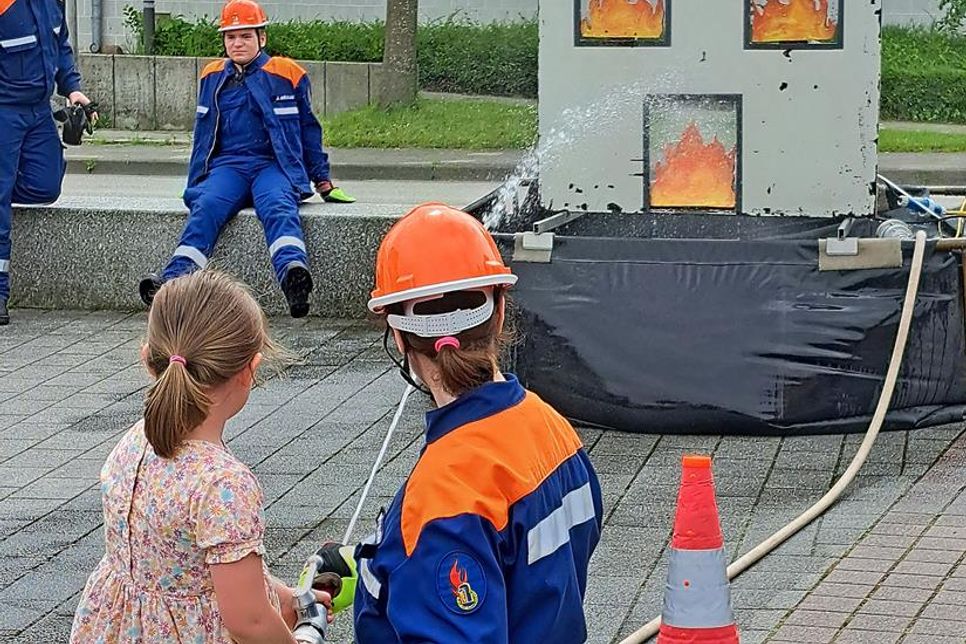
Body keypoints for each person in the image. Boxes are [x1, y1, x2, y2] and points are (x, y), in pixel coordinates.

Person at [314, 203, 604, 643]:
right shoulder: (552, 429)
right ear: (501, 311)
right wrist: (374, 562)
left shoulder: (442, 495)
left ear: (398, 336)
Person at [71, 269, 331, 643]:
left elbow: (185, 561)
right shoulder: (223, 485)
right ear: (250, 371)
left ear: (149, 360)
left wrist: (281, 596)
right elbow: (250, 622)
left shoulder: (137, 439)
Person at [138, 0, 353, 319]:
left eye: (245, 36)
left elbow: (309, 129)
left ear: (261, 38)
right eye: (230, 37)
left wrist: (322, 181)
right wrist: (197, 183)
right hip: (229, 167)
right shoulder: (211, 75)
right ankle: (171, 282)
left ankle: (294, 278)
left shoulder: (287, 73)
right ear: (224, 41)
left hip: (274, 167)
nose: (237, 43)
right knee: (207, 207)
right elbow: (203, 136)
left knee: (279, 207)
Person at [0, 0, 95, 326]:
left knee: (46, 184)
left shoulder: (51, 2)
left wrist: (73, 90)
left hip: (38, 110)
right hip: (4, 109)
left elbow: (60, 47)